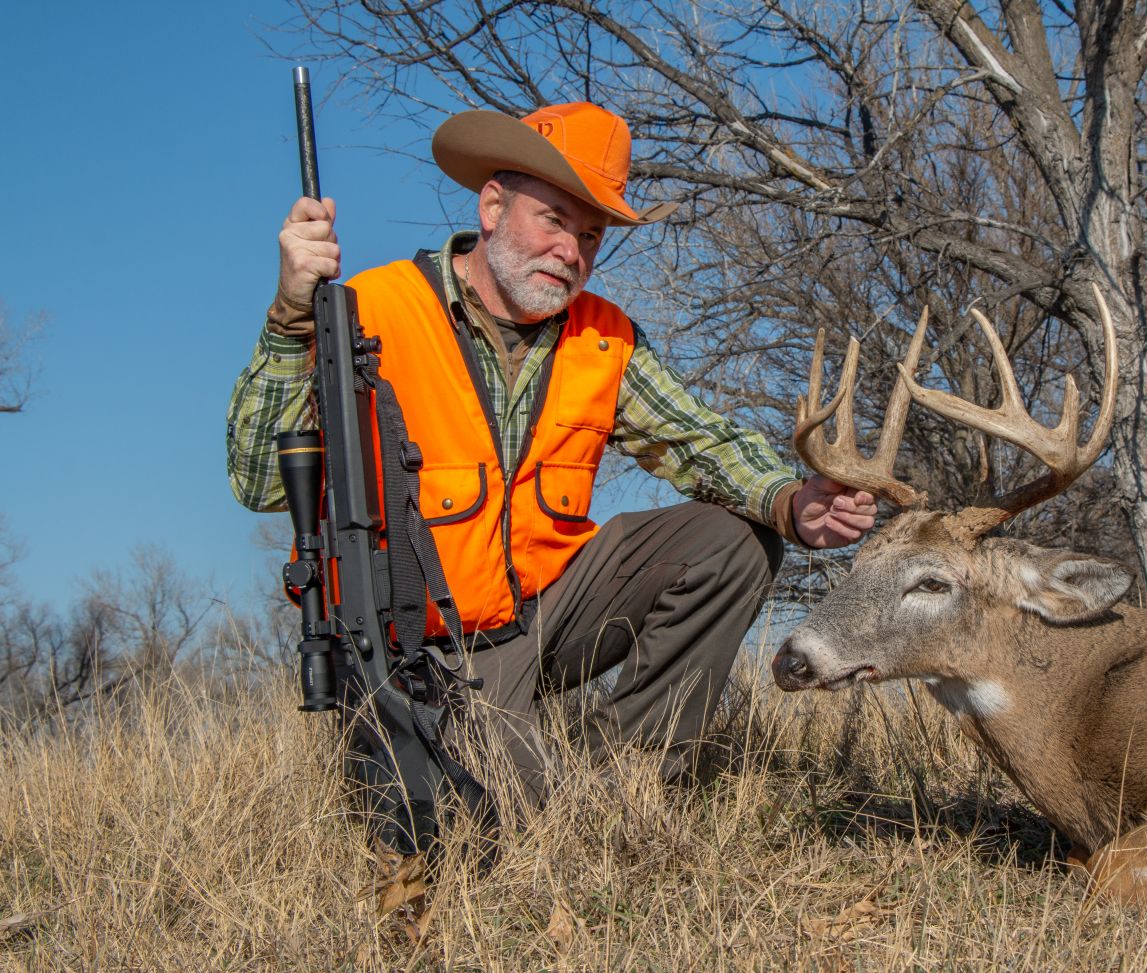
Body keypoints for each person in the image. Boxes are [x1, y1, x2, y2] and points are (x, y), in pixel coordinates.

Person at [226, 101, 876, 813]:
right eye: (556, 221)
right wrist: (291, 315)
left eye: (592, 235)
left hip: (547, 618)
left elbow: (701, 440)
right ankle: (539, 786)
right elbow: (259, 479)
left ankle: (631, 783)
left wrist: (791, 501)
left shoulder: (605, 337)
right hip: (426, 652)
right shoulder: (367, 310)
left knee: (735, 542)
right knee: (509, 818)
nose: (573, 252)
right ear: (493, 205)